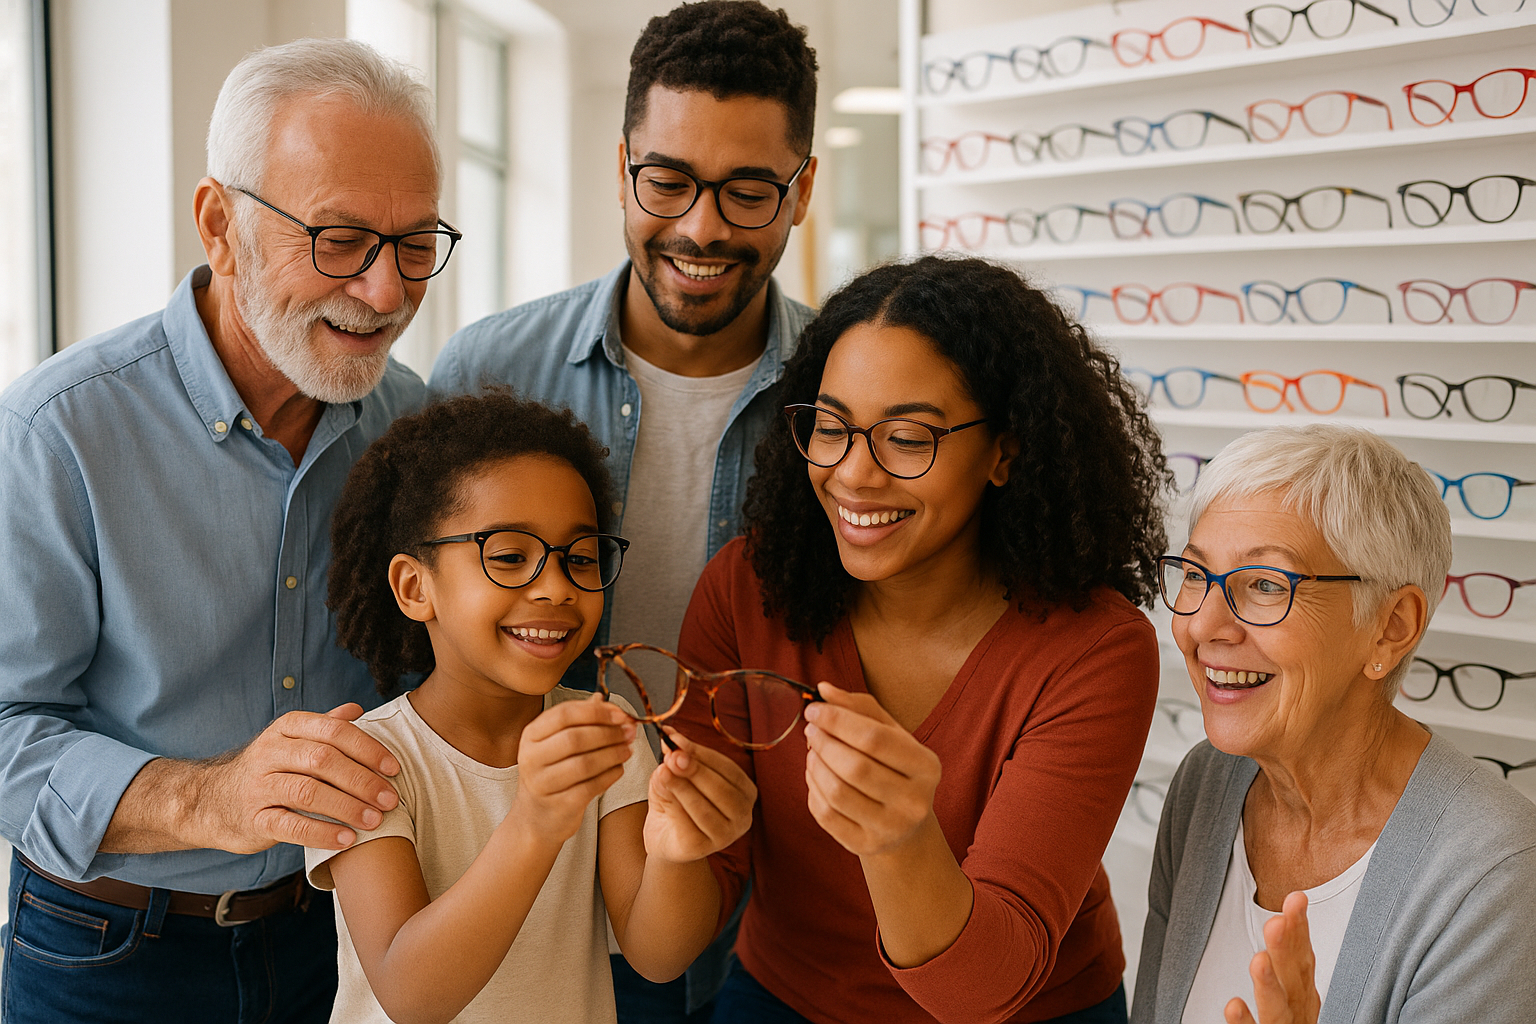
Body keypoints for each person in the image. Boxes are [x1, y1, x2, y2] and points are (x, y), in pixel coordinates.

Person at [0, 39, 447, 1023]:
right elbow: (6, 729)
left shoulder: (414, 427)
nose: (387, 293)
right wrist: (211, 798)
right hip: (103, 950)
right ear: (220, 225)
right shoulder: (55, 431)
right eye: (339, 240)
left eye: (416, 244)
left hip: (325, 937)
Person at [429, 2, 819, 1017]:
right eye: (668, 182)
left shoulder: (844, 394)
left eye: (747, 192)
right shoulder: (488, 370)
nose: (701, 227)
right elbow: (417, 642)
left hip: (767, 906)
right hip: (530, 892)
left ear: (803, 191)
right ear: (621, 168)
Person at [669, 255, 1168, 1024]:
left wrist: (901, 841)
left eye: (906, 438)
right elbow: (664, 946)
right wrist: (668, 845)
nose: (854, 475)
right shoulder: (747, 588)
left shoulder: (1096, 649)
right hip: (785, 997)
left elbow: (984, 989)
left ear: (1005, 451)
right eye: (830, 428)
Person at [308, 391, 757, 1024]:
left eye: (581, 558)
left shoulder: (607, 730)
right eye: (509, 556)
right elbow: (410, 995)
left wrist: (679, 851)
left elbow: (659, 957)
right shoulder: (365, 760)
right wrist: (536, 822)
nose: (556, 587)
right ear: (415, 587)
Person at [1133, 425, 1536, 1024]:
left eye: (1266, 585)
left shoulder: (1492, 873)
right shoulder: (1206, 783)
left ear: (1390, 628)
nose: (1203, 625)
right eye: (1195, 574)